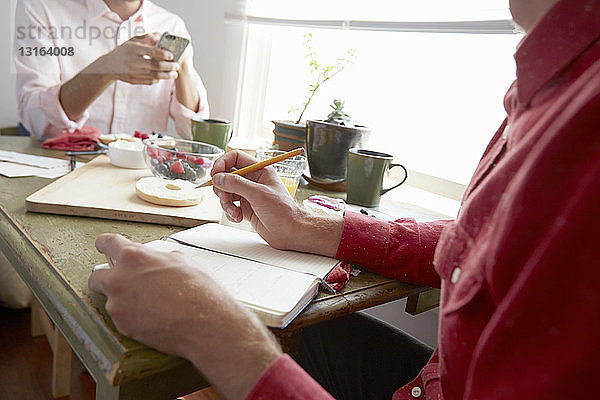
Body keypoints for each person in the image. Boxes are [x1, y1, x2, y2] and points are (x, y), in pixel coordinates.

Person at [88, 0, 600, 398]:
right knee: (303, 331)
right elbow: (486, 243)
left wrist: (216, 335)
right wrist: (308, 225)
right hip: (432, 381)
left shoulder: (584, 126)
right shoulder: (554, 81)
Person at [14, 0, 209, 140]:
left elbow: (193, 132)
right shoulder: (39, 6)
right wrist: (106, 68)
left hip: (137, 179)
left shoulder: (172, 26)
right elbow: (35, 118)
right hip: (62, 171)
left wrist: (183, 66)